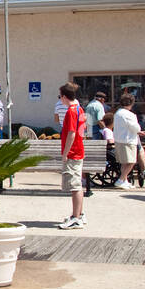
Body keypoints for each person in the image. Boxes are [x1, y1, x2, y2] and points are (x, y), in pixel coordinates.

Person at [56, 82, 86, 229]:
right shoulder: (80, 109)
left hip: (73, 152)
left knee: (75, 186)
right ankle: (79, 214)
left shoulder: (71, 111)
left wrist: (65, 153)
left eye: (60, 96)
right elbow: (82, 132)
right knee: (77, 184)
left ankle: (76, 217)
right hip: (79, 150)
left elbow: (72, 133)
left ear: (64, 97)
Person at [113, 92, 145, 188]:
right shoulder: (129, 114)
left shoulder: (117, 113)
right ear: (131, 103)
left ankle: (124, 180)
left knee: (124, 162)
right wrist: (140, 131)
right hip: (128, 140)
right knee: (131, 161)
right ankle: (120, 179)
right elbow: (135, 127)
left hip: (119, 140)